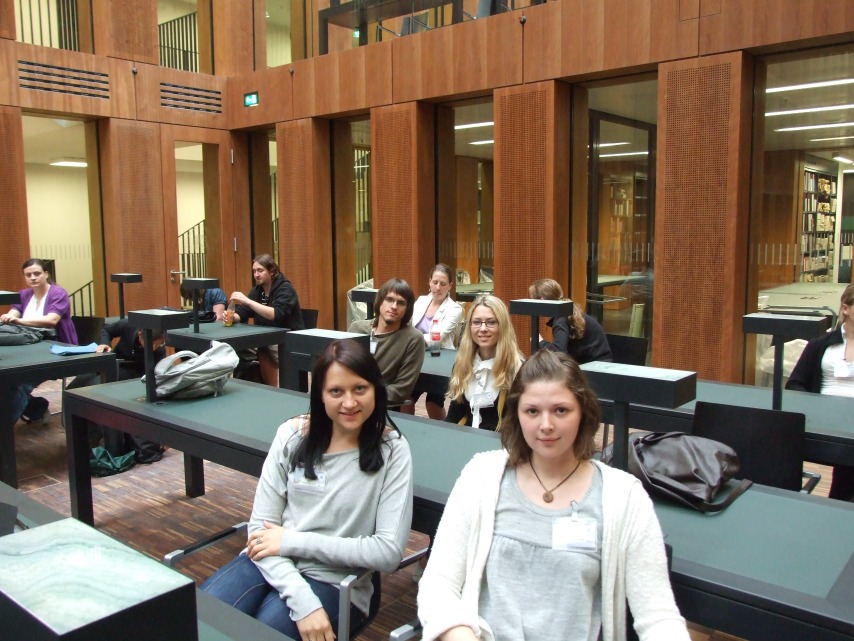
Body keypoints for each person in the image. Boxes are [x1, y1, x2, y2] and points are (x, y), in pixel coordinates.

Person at [418, 349, 690, 641]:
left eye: (560, 410)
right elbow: (438, 584)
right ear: (516, 414)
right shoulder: (481, 476)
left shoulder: (624, 497)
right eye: (532, 411)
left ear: (583, 412)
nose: (546, 425)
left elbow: (658, 617)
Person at [201, 339, 413, 639]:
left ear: (376, 390)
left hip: (335, 581)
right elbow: (260, 531)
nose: (349, 402)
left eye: (359, 389)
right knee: (202, 620)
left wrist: (291, 541)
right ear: (320, 395)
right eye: (336, 391)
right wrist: (302, 600)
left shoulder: (392, 450)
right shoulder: (292, 435)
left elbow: (388, 552)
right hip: (270, 562)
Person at [786, 283, 854, 502]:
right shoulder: (821, 346)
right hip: (827, 420)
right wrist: (815, 408)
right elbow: (795, 384)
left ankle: (839, 503)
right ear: (846, 309)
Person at [0, 258, 77, 423]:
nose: (33, 277)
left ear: (46, 274)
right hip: (29, 346)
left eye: (37, 273)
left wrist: (19, 321)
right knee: (7, 380)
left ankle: (5, 429)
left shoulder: (58, 293)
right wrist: (8, 318)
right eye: (28, 275)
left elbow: (51, 320)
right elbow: (14, 313)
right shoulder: (24, 294)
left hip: (56, 349)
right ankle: (37, 408)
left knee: (18, 381)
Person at [445, 295, 523, 431]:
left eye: (491, 322)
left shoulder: (518, 370)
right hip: (467, 439)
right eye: (476, 322)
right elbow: (454, 417)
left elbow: (519, 427)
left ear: (503, 326)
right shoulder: (462, 364)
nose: (482, 328)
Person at [230, 254, 305, 387]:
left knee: (265, 348)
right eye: (254, 271)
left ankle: (273, 390)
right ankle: (250, 387)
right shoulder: (257, 291)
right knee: (237, 347)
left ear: (272, 271)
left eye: (260, 270)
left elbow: (276, 314)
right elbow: (243, 312)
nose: (256, 275)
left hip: (286, 341)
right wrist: (233, 317)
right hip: (265, 338)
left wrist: (248, 301)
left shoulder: (285, 288)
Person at [348, 279, 425, 408]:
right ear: (380, 302)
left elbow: (400, 390)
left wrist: (361, 397)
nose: (394, 306)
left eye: (401, 303)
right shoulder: (357, 329)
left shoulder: (413, 338)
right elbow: (342, 371)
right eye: (389, 299)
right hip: (347, 402)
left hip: (380, 408)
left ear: (407, 309)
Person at [403, 264, 463, 419]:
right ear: (429, 282)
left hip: (440, 361)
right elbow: (406, 325)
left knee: (432, 404)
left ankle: (443, 432)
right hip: (416, 359)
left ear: (450, 285)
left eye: (443, 284)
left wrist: (410, 339)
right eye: (435, 282)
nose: (438, 287)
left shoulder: (455, 309)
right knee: (406, 400)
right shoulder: (421, 301)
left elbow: (437, 337)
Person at [529, 278, 612, 364]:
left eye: (532, 300)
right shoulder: (566, 311)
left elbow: (559, 352)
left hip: (596, 365)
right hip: (596, 362)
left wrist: (540, 342)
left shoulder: (561, 318)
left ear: (541, 300)